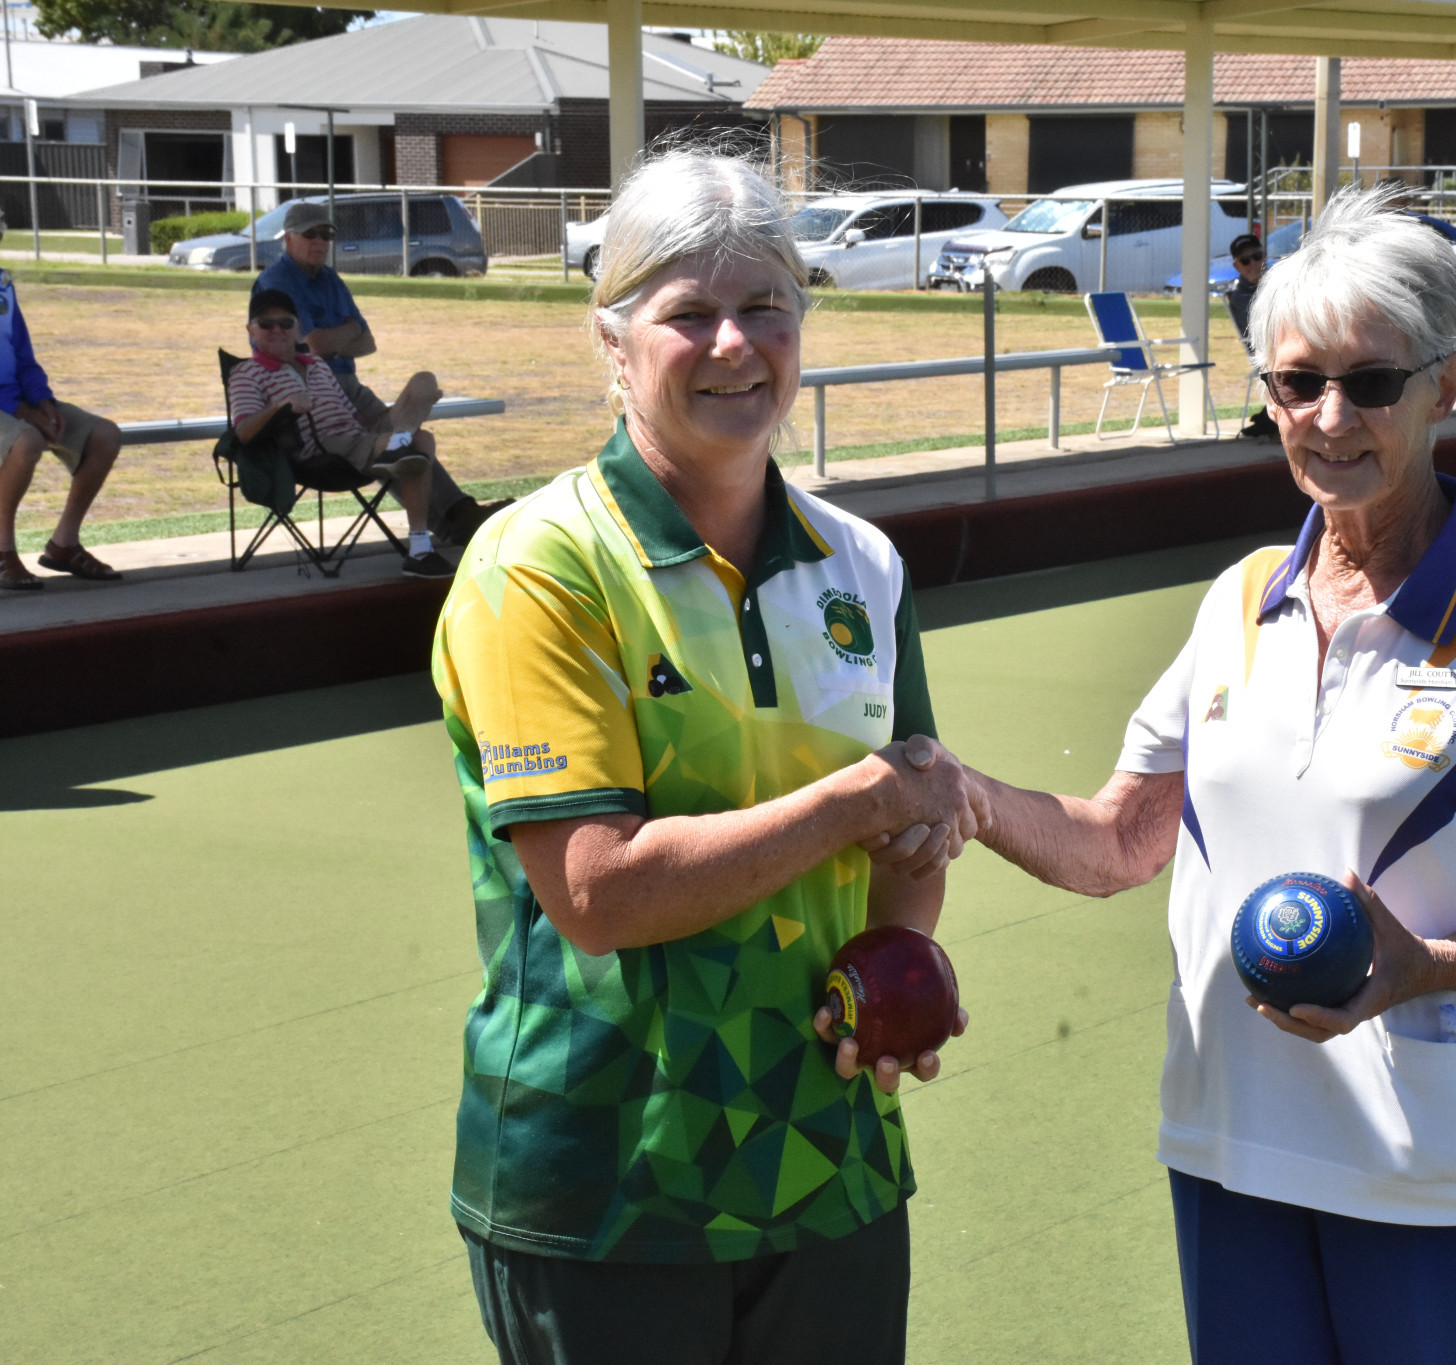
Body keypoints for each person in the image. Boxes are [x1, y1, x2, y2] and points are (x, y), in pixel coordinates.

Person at [914, 184, 1456, 1365]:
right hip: (1233, 1147)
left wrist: (1423, 970)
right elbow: (1119, 839)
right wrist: (953, 789)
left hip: (1441, 1180)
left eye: (1370, 383)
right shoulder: (1240, 598)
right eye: (1293, 382)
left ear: (1445, 385)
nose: (1327, 417)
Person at [430, 148, 979, 1365]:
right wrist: (857, 802)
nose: (735, 344)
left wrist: (899, 962)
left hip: (826, 1151)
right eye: (689, 314)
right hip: (608, 1184)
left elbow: (906, 839)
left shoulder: (862, 563)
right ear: (613, 344)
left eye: (765, 309)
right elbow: (597, 892)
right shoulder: (539, 566)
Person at [253, 200, 505, 545]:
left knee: (420, 394)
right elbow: (311, 347)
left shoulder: (330, 279)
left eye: (326, 233)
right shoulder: (276, 283)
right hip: (312, 397)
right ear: (289, 239)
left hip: (349, 386)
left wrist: (334, 340)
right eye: (309, 234)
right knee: (404, 445)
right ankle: (456, 516)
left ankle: (454, 517)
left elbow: (368, 342)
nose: (320, 241)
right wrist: (346, 331)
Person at [229, 289, 458, 579]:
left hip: (358, 437)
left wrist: (404, 409)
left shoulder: (318, 365)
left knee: (423, 388)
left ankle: (399, 446)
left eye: (285, 323)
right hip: (323, 453)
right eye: (266, 324)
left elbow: (356, 419)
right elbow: (244, 433)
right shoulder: (246, 373)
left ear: (298, 329)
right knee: (416, 444)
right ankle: (419, 548)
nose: (277, 330)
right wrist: (280, 406)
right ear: (250, 330)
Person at [0, 216, 125, 590]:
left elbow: (21, 350)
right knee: (27, 441)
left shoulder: (3, 281)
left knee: (104, 434)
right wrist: (23, 411)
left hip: (17, 399)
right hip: (10, 406)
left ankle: (63, 545)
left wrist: (43, 401)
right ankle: (3, 551)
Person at [1223, 233, 1279, 440]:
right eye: (1245, 260)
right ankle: (1270, 419)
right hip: (1267, 353)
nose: (1252, 263)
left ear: (1264, 256)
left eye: (1256, 256)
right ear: (1237, 266)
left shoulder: (1278, 282)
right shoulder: (1241, 296)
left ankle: (1269, 418)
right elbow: (1264, 330)